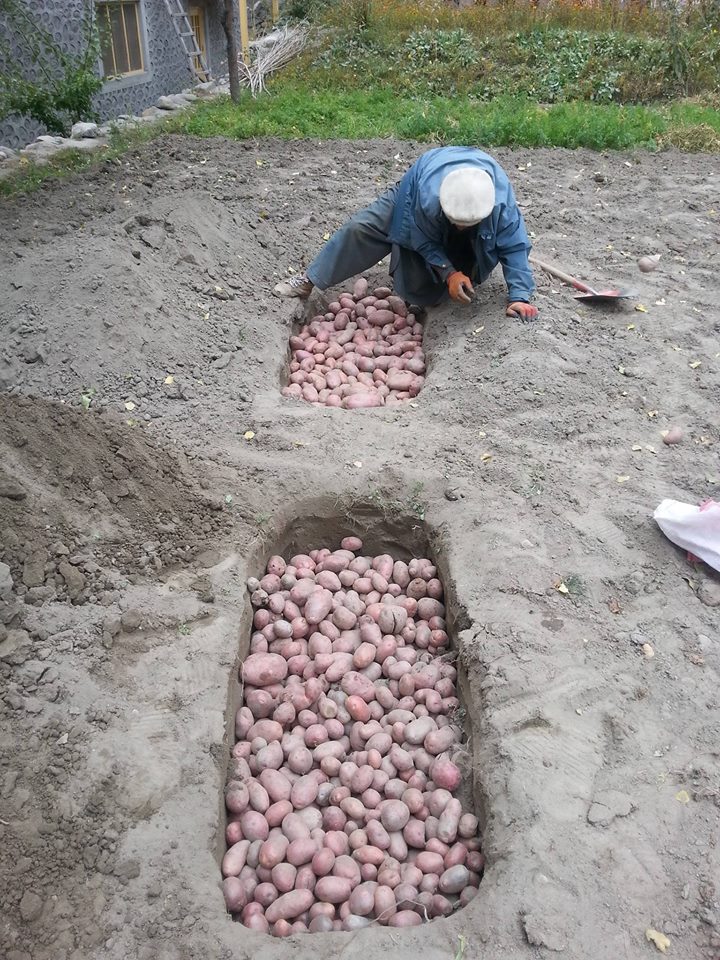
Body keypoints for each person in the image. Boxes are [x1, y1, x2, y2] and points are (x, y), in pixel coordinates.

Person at [273, 145, 538, 320]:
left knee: (464, 268)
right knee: (362, 228)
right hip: (416, 185)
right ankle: (309, 279)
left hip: (469, 198)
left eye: (465, 225)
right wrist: (449, 272)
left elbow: (515, 247)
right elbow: (422, 239)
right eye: (455, 222)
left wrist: (519, 297)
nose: (459, 228)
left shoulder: (501, 206)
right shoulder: (427, 198)